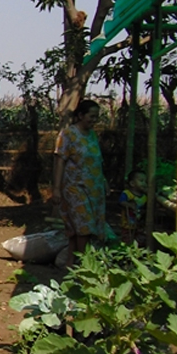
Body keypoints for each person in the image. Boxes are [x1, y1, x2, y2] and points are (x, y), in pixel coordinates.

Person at [51, 99, 107, 258]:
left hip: (94, 188)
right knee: (84, 226)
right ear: (81, 115)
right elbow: (60, 161)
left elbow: (97, 161)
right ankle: (82, 262)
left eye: (97, 117)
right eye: (91, 116)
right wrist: (56, 188)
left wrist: (103, 180)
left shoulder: (92, 135)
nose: (94, 120)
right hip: (75, 188)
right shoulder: (68, 134)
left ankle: (70, 264)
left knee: (80, 229)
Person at [118, 170, 148, 244]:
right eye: (141, 181)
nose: (144, 183)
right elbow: (121, 201)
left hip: (139, 224)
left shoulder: (145, 196)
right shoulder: (127, 193)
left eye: (145, 181)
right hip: (127, 224)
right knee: (127, 239)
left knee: (139, 239)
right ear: (132, 183)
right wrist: (130, 205)